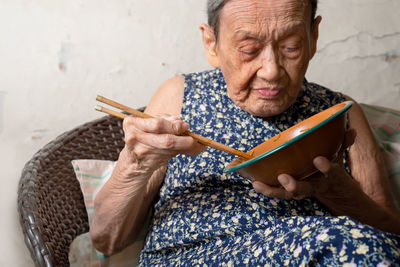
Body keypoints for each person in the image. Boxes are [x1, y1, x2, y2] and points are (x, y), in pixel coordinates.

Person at [90, 0, 400, 265]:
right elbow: (106, 240)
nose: (272, 70)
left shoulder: (340, 111)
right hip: (193, 255)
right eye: (249, 49)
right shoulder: (180, 95)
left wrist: (333, 191)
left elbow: (390, 237)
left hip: (324, 252)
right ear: (212, 44)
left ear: (314, 36)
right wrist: (135, 164)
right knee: (337, 241)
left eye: (291, 46)